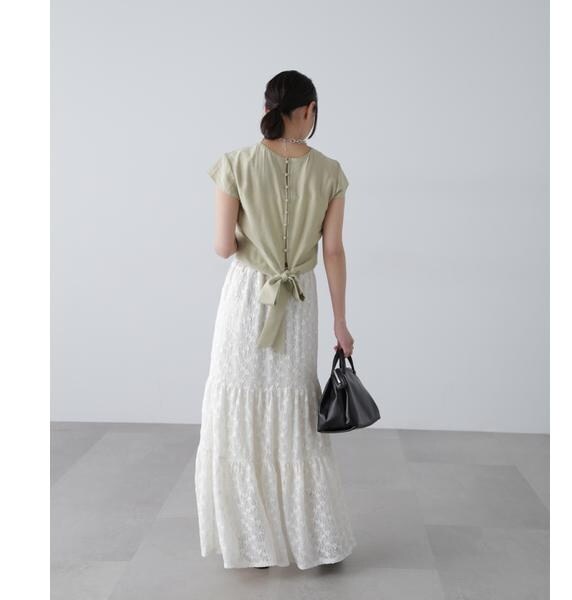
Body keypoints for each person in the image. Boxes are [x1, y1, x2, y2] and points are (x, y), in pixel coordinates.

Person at [194, 70, 357, 570]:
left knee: (239, 408)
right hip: (300, 301)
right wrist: (341, 324)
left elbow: (224, 247)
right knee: (294, 414)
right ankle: (314, 539)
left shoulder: (235, 164)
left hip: (248, 298)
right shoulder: (330, 172)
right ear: (308, 111)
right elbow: (333, 251)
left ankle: (253, 543)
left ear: (268, 109)